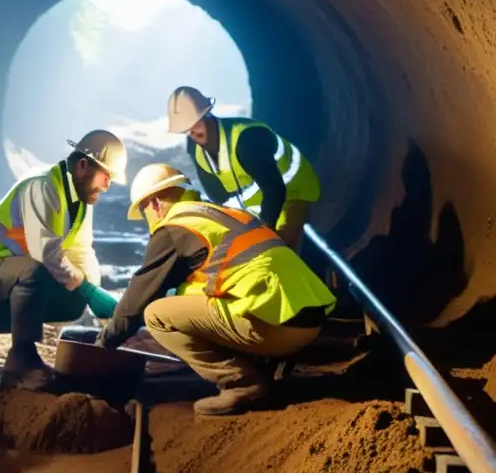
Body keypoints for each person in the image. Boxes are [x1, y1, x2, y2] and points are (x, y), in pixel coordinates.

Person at [96, 163, 336, 415]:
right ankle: (264, 366)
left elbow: (136, 301)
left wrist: (102, 346)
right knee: (189, 294)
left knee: (156, 315)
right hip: (308, 320)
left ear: (154, 204)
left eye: (145, 213)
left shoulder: (175, 229)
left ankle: (242, 384)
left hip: (276, 327)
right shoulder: (223, 216)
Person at [0, 130, 125, 390]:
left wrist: (93, 293)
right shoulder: (42, 186)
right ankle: (21, 360)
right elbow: (46, 251)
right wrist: (86, 287)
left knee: (73, 303)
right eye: (106, 176)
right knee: (37, 271)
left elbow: (82, 250)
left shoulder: (81, 200)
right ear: (83, 166)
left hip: (19, 269)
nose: (107, 185)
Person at [166, 86, 320, 252]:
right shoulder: (196, 149)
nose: (192, 134)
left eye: (195, 124)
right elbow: (220, 199)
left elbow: (274, 189)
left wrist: (265, 230)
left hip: (293, 191)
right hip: (257, 205)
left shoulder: (246, 140)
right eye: (186, 130)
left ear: (207, 114)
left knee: (280, 248)